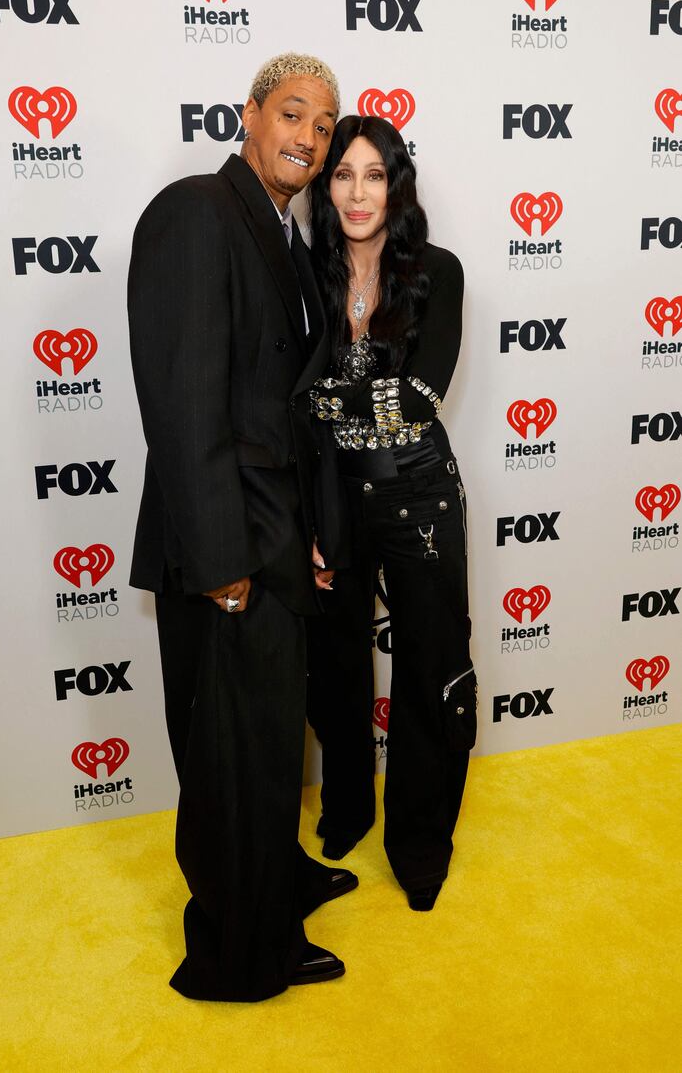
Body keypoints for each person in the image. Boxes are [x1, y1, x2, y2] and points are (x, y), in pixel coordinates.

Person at [128, 54, 357, 1002]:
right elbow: (182, 403)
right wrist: (221, 561)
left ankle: (280, 881)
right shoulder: (195, 210)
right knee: (229, 756)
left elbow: (281, 404)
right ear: (250, 116)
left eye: (323, 123)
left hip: (274, 534)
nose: (307, 136)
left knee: (268, 740)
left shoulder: (286, 232)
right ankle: (237, 951)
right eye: (292, 114)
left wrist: (305, 526)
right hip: (224, 547)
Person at [306, 115, 476, 912]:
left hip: (420, 495)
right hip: (333, 495)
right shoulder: (305, 273)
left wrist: (326, 399)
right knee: (336, 667)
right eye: (343, 174)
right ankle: (348, 808)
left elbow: (421, 397)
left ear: (396, 184)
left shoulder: (438, 271)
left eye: (374, 175)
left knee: (428, 670)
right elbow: (291, 401)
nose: (357, 192)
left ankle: (419, 841)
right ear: (325, 183)